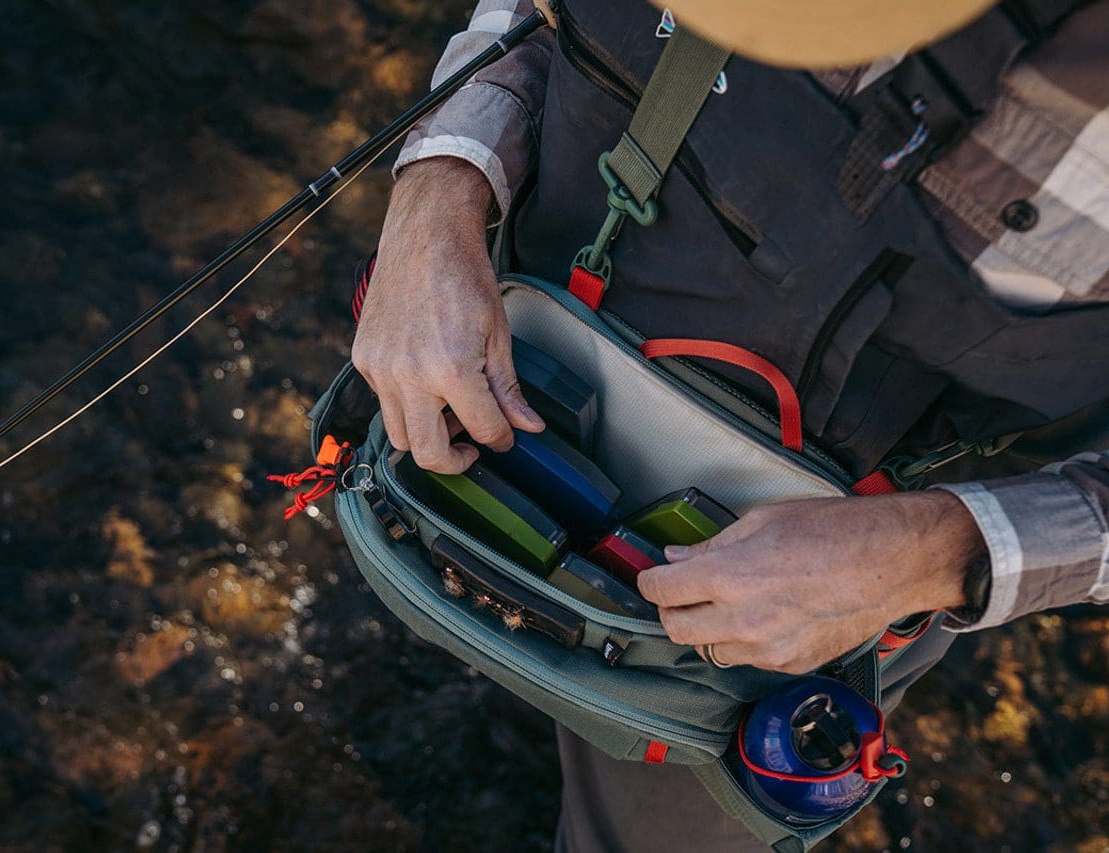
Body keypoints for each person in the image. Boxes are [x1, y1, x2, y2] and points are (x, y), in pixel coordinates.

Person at [351, 0, 1109, 849]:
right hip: (518, 326)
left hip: (793, 616)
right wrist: (437, 194)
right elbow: (533, 16)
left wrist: (935, 553)